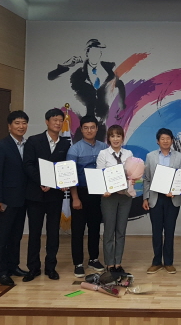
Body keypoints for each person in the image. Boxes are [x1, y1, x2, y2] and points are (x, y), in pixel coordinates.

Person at [22, 108, 71, 282]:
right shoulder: (34, 141)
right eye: (54, 120)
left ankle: (51, 267)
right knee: (34, 233)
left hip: (55, 196)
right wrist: (42, 182)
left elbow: (66, 168)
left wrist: (64, 183)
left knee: (53, 233)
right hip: (35, 194)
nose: (57, 123)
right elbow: (28, 165)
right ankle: (33, 268)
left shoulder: (66, 144)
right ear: (47, 121)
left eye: (60, 120)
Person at [47, 38, 126, 141]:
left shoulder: (109, 69)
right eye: (93, 52)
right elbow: (51, 76)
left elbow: (120, 84)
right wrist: (66, 65)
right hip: (84, 126)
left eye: (98, 52)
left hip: (102, 126)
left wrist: (121, 105)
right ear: (87, 53)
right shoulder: (77, 74)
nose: (96, 55)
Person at [0, 110, 30, 286]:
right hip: (5, 200)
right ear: (9, 126)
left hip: (22, 199)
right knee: (2, 237)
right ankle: (0, 271)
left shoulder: (27, 145)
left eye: (24, 123)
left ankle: (13, 266)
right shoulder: (1, 146)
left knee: (16, 236)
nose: (21, 126)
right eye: (17, 123)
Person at [66, 115, 108, 278]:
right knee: (78, 230)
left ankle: (93, 259)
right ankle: (78, 263)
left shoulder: (104, 148)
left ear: (97, 129)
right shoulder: (74, 149)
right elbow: (71, 176)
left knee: (95, 228)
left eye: (92, 127)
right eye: (86, 128)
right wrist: (75, 198)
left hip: (98, 194)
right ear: (81, 130)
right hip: (80, 193)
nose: (89, 130)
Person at [143, 128, 181, 274]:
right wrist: (145, 197)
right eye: (162, 139)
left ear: (172, 140)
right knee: (156, 231)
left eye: (168, 138)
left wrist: (174, 190)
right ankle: (156, 261)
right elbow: (146, 179)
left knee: (169, 230)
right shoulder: (150, 156)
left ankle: (168, 262)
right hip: (155, 198)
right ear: (158, 141)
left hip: (172, 199)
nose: (165, 141)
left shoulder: (179, 157)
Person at [97, 124, 134, 274]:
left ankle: (118, 263)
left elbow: (132, 174)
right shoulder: (103, 154)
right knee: (109, 231)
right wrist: (104, 190)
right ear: (108, 139)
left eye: (118, 136)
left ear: (122, 138)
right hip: (109, 197)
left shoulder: (128, 153)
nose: (115, 139)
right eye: (112, 136)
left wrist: (132, 181)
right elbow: (100, 176)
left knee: (121, 230)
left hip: (125, 196)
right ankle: (109, 263)